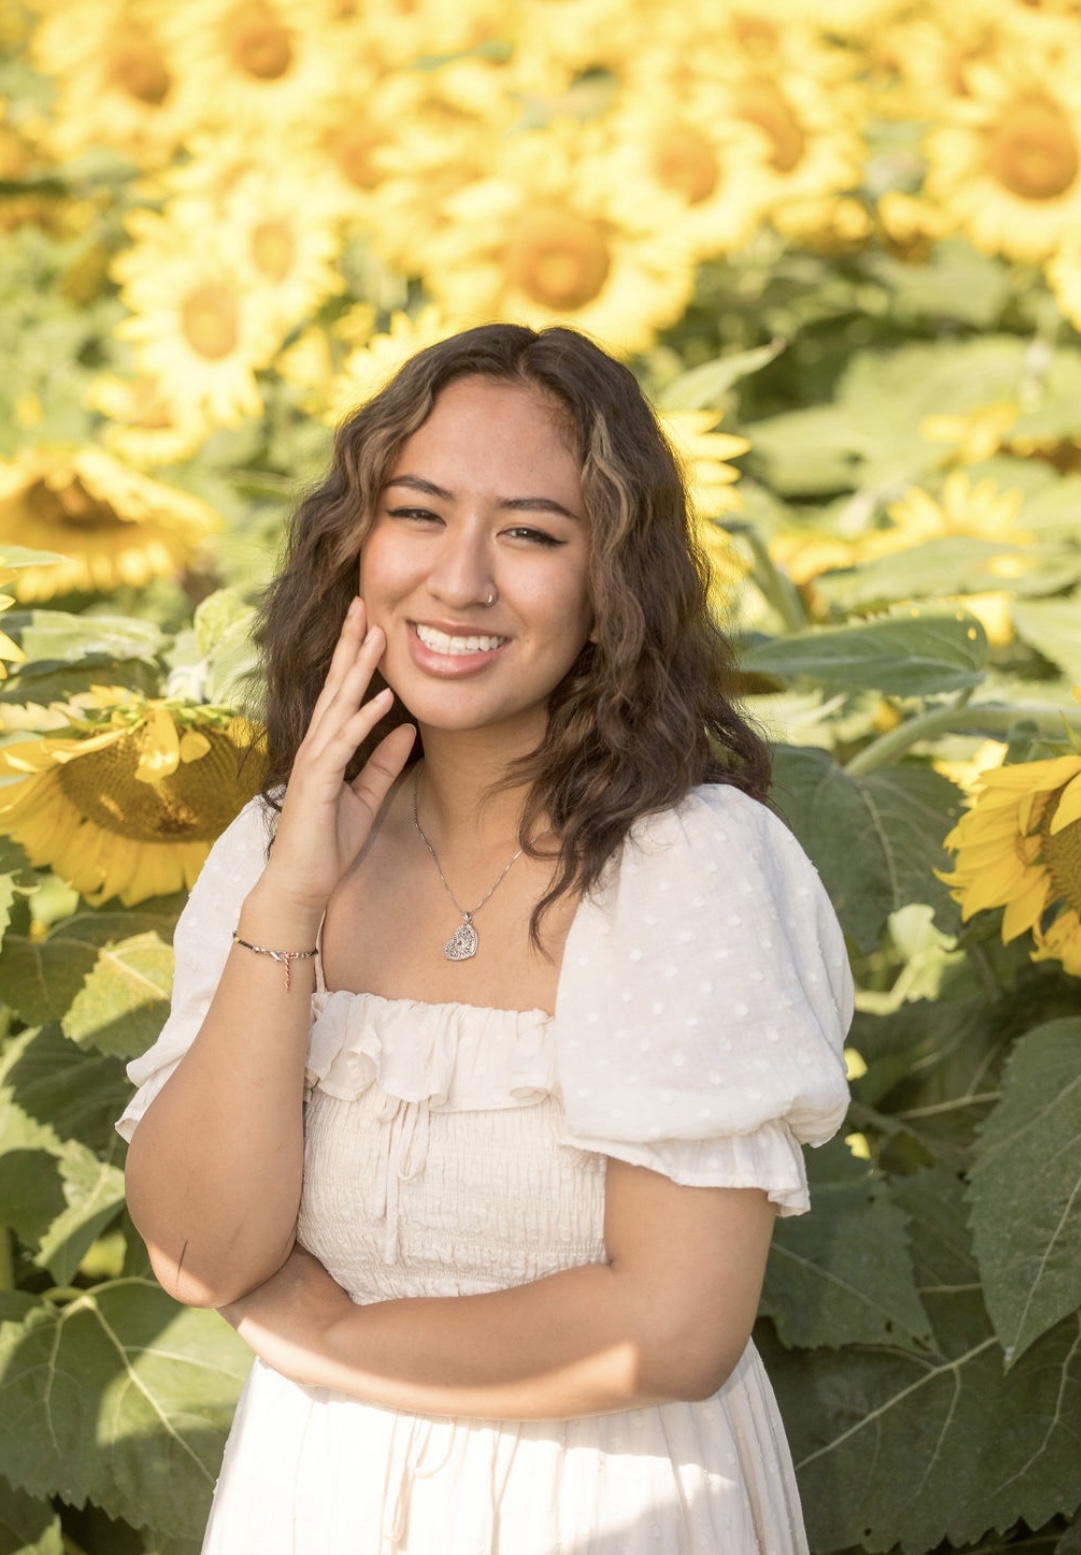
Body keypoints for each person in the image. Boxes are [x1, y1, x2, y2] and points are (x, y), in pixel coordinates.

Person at [119, 322, 853, 1555]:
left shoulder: (682, 863)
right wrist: (292, 901)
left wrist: (338, 1342)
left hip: (611, 1503)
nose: (459, 581)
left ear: (612, 583)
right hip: (314, 1496)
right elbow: (201, 1251)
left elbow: (674, 1329)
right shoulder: (273, 845)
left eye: (530, 532)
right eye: (418, 513)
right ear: (354, 545)